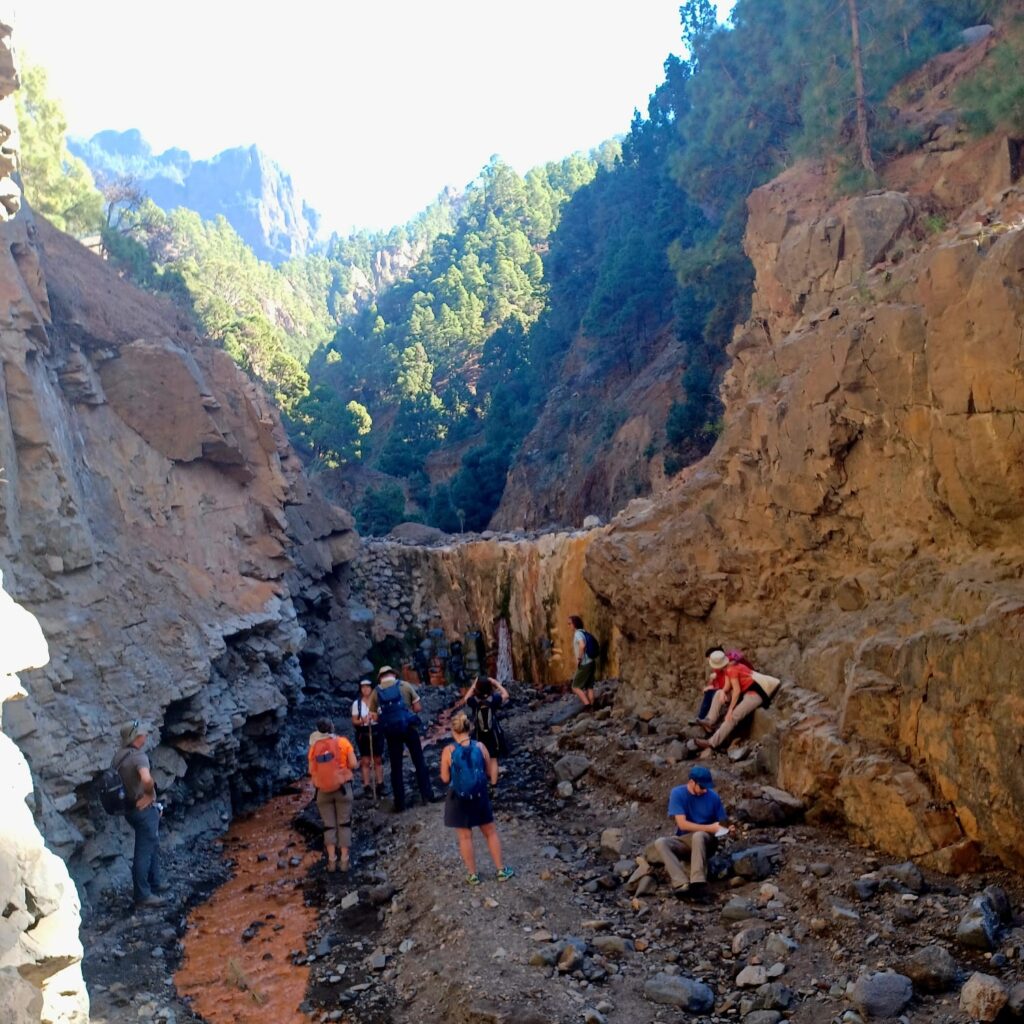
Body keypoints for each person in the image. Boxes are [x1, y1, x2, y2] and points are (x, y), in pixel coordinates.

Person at [439, 712, 515, 885]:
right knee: (490, 833)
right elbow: (489, 772)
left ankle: (473, 875)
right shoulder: (480, 747)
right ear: (470, 728)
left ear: (453, 730)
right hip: (480, 795)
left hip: (458, 798)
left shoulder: (448, 751)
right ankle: (501, 870)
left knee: (465, 837)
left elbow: (444, 779)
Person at [113, 720, 167, 908]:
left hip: (129, 809)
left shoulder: (119, 756)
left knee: (151, 843)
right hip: (143, 810)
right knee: (144, 850)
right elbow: (146, 779)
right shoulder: (138, 757)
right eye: (143, 734)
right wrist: (149, 795)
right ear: (137, 737)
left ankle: (155, 882)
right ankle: (143, 895)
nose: (145, 736)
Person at [653, 765, 729, 900]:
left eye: (707, 788)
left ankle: (698, 883)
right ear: (692, 782)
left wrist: (727, 829)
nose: (705, 790)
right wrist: (710, 827)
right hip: (686, 839)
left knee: (699, 835)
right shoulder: (677, 793)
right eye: (702, 787)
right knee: (661, 842)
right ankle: (681, 883)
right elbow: (682, 824)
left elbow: (722, 824)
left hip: (707, 841)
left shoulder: (713, 797)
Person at [368, 665, 437, 812]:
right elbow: (418, 708)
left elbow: (373, 716)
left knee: (396, 767)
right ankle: (427, 795)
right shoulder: (405, 685)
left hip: (391, 733)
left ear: (380, 677)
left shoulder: (376, 692)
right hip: (408, 728)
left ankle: (400, 803)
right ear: (393, 674)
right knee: (419, 760)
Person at [696, 655, 775, 753]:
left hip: (754, 694)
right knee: (718, 693)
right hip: (745, 691)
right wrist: (723, 692)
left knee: (732, 716)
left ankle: (712, 743)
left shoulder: (731, 669)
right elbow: (727, 686)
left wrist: (730, 710)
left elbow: (737, 691)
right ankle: (710, 721)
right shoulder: (727, 668)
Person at [308, 717, 358, 872]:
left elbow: (311, 771)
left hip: (322, 792)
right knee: (344, 823)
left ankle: (331, 861)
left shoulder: (314, 747)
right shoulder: (342, 743)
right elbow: (354, 764)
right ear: (332, 728)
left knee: (329, 825)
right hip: (342, 789)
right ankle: (344, 860)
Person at [457, 674, 509, 771]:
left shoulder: (474, 701)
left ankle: (481, 768)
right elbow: (506, 695)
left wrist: (474, 685)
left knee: (477, 750)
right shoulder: (494, 699)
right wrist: (496, 683)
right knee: (494, 754)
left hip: (478, 733)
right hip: (493, 732)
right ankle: (494, 776)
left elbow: (465, 699)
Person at [351, 680, 384, 798]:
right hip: (363, 733)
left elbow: (382, 717)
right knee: (365, 760)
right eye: (363, 687)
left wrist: (376, 717)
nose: (365, 689)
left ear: (372, 688)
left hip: (376, 731)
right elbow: (354, 720)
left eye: (367, 687)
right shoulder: (357, 704)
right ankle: (367, 785)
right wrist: (362, 721)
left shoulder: (377, 701)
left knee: (378, 759)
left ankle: (380, 784)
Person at [568, 615, 597, 707]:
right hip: (592, 662)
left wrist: (579, 659)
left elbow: (582, 645)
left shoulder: (577, 634)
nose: (569, 626)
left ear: (575, 624)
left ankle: (587, 705)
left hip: (585, 663)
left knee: (575, 687)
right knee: (589, 686)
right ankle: (593, 707)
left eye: (570, 624)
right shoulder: (584, 632)